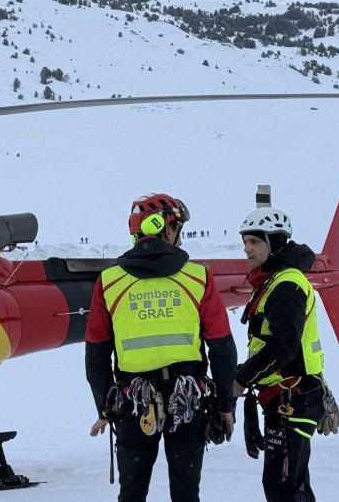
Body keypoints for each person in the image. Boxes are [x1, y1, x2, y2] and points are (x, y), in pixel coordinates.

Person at [85, 193, 238, 502]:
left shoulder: (110, 282)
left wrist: (105, 406)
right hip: (187, 402)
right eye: (177, 228)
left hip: (134, 404)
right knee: (185, 493)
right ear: (166, 228)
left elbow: (96, 353)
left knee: (131, 493)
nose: (179, 237)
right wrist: (225, 405)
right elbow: (222, 346)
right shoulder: (198, 277)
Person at [232, 207, 325, 502]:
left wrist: (242, 378)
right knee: (291, 485)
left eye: (254, 242)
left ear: (275, 242)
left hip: (293, 396)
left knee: (283, 487)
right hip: (287, 395)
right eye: (245, 241)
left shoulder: (286, 285)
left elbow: (283, 347)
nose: (247, 249)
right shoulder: (275, 281)